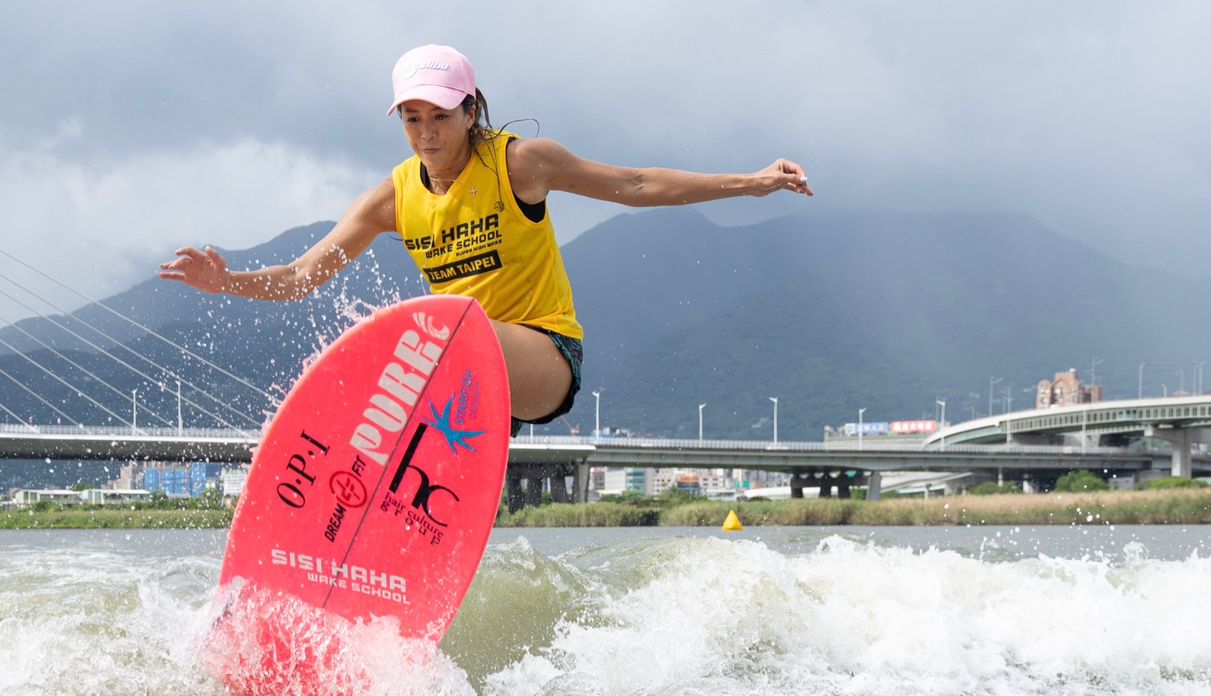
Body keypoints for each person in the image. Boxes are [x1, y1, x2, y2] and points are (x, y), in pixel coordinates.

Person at [160, 44, 813, 430]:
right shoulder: (392, 198)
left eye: (439, 116)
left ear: (470, 109)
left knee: (433, 327)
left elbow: (638, 184)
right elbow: (304, 277)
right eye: (411, 119)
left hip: (543, 361)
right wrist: (226, 283)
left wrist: (753, 183)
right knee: (392, 350)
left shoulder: (519, 163)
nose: (425, 134)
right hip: (454, 370)